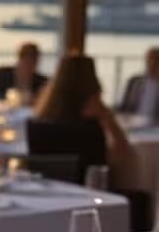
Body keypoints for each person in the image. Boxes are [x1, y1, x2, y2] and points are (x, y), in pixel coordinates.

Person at [32, 53, 139, 191]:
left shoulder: (41, 121)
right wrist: (108, 118)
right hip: (89, 191)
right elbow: (122, 157)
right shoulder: (92, 125)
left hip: (48, 190)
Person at [118, 47, 159, 122]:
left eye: (156, 60)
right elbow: (124, 108)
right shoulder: (135, 81)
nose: (151, 63)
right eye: (149, 60)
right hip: (134, 124)